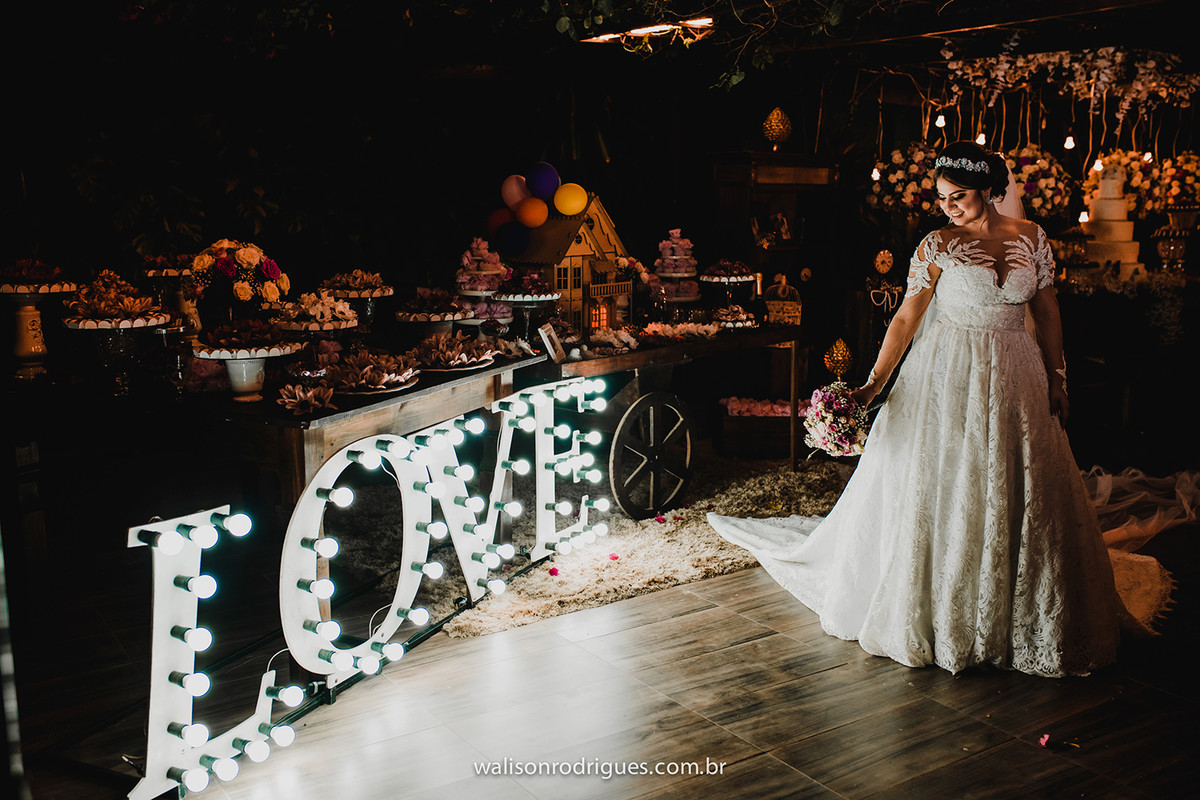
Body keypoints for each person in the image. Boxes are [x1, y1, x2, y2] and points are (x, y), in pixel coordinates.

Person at [708, 140, 1169, 678]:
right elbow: (904, 318)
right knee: (952, 478)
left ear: (990, 191)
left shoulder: (1032, 239)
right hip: (949, 372)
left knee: (1016, 480)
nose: (948, 205)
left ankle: (1017, 607)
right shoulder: (937, 246)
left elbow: (1046, 312)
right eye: (942, 196)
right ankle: (940, 604)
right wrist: (873, 385)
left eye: (959, 196)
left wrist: (1057, 377)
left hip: (1017, 370)